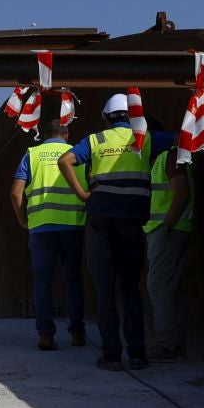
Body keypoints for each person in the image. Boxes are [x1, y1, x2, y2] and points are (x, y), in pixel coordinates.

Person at [58, 96, 175, 371]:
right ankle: (137, 354)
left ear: (107, 118)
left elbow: (65, 161)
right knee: (130, 289)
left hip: (100, 220)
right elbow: (182, 140)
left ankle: (111, 355)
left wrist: (82, 193)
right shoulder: (145, 139)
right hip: (132, 222)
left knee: (105, 290)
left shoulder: (96, 140)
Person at [9, 116, 87, 351]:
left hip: (41, 227)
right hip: (72, 225)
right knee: (73, 279)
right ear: (66, 135)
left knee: (42, 281)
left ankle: (45, 335)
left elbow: (15, 192)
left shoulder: (31, 155)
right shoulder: (79, 153)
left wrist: (23, 219)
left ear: (43, 135)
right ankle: (77, 333)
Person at [144, 147, 195, 361]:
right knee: (164, 285)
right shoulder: (161, 159)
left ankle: (168, 345)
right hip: (164, 230)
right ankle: (170, 341)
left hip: (169, 230)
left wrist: (166, 227)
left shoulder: (172, 157)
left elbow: (181, 193)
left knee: (158, 285)